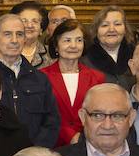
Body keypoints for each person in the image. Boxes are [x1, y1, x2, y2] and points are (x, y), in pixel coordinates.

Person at [0, 13, 61, 149]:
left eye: (20, 34)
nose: (15, 40)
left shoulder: (40, 79)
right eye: (7, 34)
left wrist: (36, 150)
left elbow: (52, 121)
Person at [41, 18, 106, 147]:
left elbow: (99, 113)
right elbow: (42, 116)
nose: (73, 45)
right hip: (53, 145)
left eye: (79, 40)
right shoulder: (42, 77)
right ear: (56, 45)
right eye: (67, 40)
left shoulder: (97, 78)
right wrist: (69, 135)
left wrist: (82, 137)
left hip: (88, 144)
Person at [83, 7, 135, 85]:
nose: (111, 29)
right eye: (105, 25)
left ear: (125, 29)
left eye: (117, 24)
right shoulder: (84, 61)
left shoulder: (137, 55)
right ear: (96, 30)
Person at [11, 1, 52, 68]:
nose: (29, 25)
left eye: (35, 21)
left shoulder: (51, 53)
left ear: (41, 29)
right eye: (24, 21)